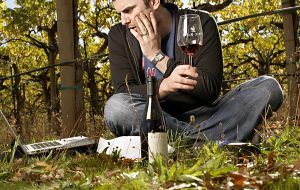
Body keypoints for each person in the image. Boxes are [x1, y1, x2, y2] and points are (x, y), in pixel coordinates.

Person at [104, 0, 284, 145]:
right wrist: (164, 87)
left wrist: (157, 56)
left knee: (269, 87)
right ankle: (217, 139)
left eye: (128, 10)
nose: (123, 20)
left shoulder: (199, 22)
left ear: (154, 2)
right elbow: (125, 91)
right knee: (116, 108)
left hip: (208, 114)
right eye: (119, 13)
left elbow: (209, 90)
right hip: (159, 120)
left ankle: (186, 142)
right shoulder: (119, 35)